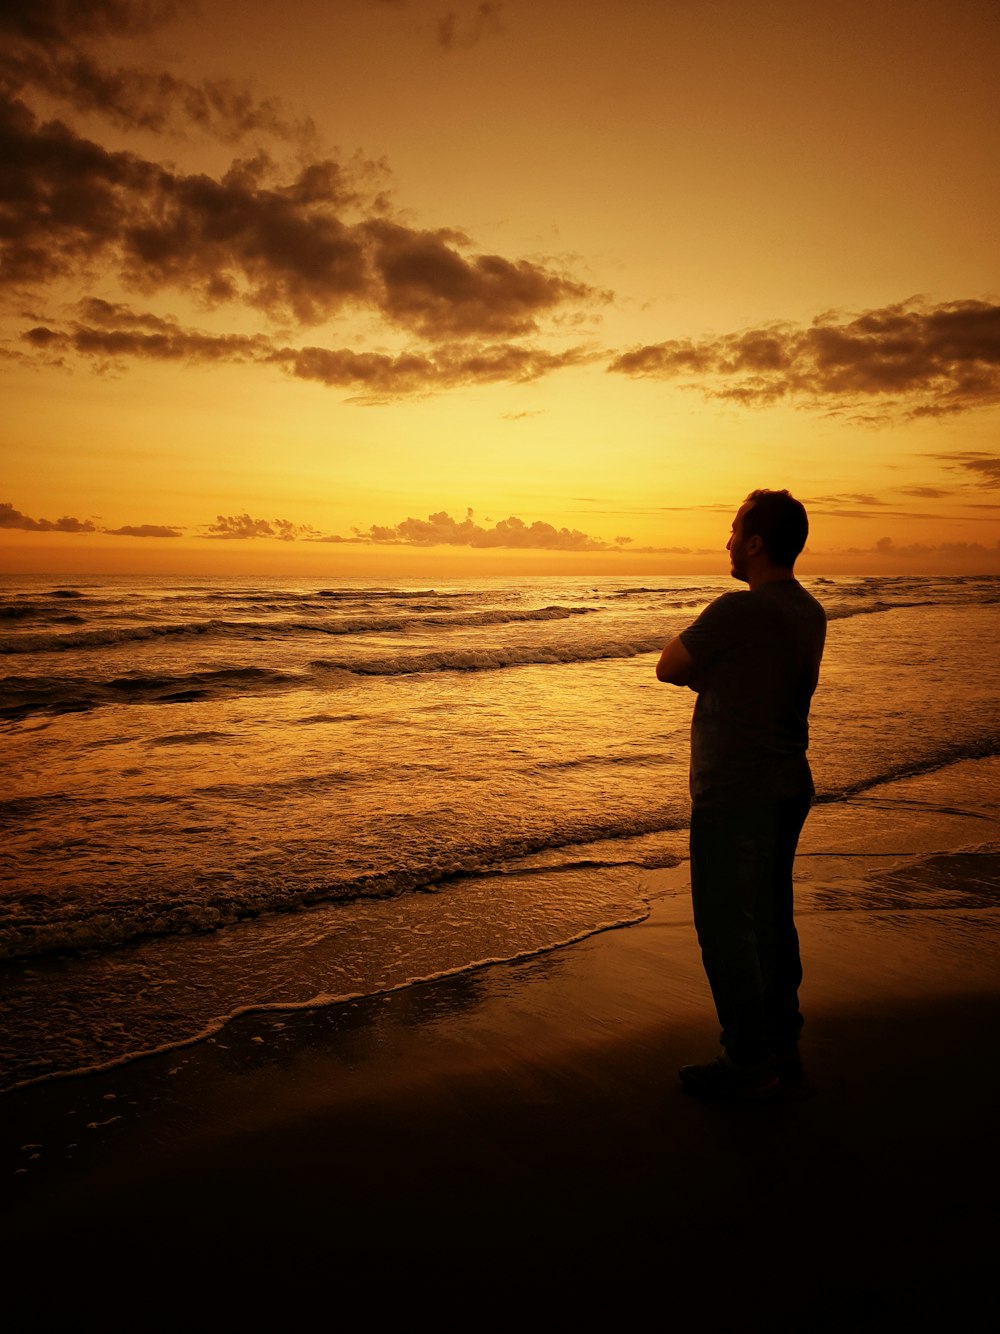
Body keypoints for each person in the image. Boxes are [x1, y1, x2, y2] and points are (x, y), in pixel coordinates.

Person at [657, 488, 826, 1100]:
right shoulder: (809, 610)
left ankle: (744, 1058)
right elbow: (768, 677)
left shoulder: (736, 610)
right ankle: (783, 1044)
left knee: (728, 926)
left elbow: (668, 665)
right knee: (774, 920)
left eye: (732, 531)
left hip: (735, 790)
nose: (726, 541)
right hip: (788, 784)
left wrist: (709, 678)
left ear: (755, 542)